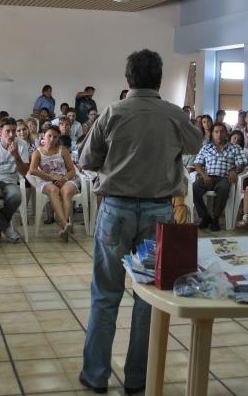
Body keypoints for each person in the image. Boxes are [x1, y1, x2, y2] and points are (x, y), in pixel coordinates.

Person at [77, 49, 202, 394]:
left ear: (128, 78)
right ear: (159, 79)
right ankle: (138, 380)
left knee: (105, 294)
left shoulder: (113, 112)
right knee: (148, 298)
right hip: (159, 212)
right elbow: (196, 143)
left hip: (115, 210)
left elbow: (87, 159)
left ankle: (96, 375)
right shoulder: (173, 114)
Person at [192, 123, 248, 232]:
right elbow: (197, 164)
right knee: (194, 188)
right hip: (208, 177)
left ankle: (215, 219)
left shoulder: (234, 148)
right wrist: (204, 175)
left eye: (222, 131)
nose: (219, 134)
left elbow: (242, 163)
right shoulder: (206, 147)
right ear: (212, 134)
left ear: (226, 134)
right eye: (216, 132)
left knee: (223, 188)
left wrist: (235, 171)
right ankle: (205, 217)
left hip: (224, 178)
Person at [29, 126, 79, 241]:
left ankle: (64, 226)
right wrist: (50, 177)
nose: (52, 139)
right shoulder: (38, 152)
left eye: (55, 137)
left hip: (64, 179)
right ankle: (65, 224)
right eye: (49, 136)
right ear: (43, 137)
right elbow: (32, 170)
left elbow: (72, 170)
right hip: (46, 181)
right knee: (53, 190)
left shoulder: (63, 150)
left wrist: (64, 179)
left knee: (66, 191)